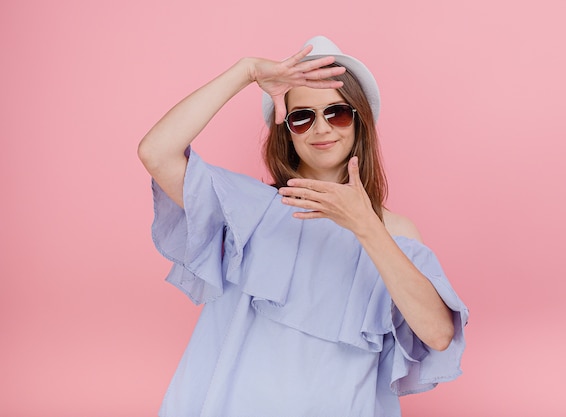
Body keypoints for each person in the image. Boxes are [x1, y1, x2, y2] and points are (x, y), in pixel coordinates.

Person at [138, 35, 468, 417]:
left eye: (337, 112)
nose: (322, 128)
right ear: (287, 131)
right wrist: (245, 72)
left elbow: (439, 333)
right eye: (302, 116)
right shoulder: (251, 210)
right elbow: (156, 152)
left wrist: (366, 227)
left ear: (360, 120)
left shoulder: (394, 231)